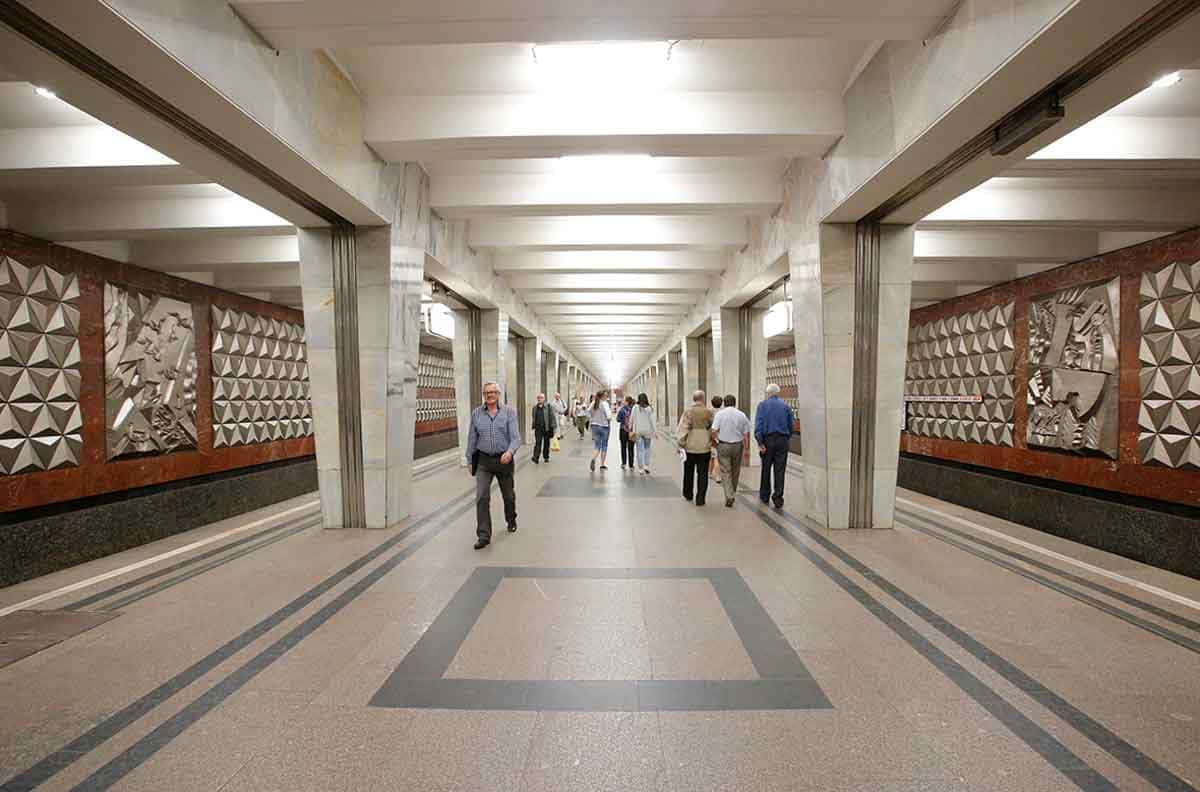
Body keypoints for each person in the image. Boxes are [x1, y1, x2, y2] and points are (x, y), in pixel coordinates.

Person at [466, 381, 520, 549]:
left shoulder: (509, 413)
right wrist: (469, 459)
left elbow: (516, 438)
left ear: (498, 394)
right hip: (484, 461)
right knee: (482, 496)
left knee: (508, 496)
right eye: (487, 392)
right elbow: (471, 439)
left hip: (504, 460)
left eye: (493, 392)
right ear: (484, 395)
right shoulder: (476, 414)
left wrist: (509, 452)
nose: (490, 395)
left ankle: (511, 519)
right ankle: (483, 535)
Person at [754, 383, 795, 509]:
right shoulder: (786, 406)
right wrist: (786, 437)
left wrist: (760, 442)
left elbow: (759, 424)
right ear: (778, 393)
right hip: (782, 440)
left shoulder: (762, 405)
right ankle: (778, 497)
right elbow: (791, 425)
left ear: (768, 393)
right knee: (780, 470)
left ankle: (765, 495)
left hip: (768, 439)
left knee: (766, 468)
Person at [711, 394, 752, 508]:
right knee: (735, 470)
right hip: (738, 446)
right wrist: (747, 449)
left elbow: (713, 430)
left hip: (723, 445)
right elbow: (746, 434)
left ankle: (729, 495)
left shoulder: (720, 414)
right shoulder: (741, 415)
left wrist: (716, 440)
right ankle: (732, 492)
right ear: (735, 402)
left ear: (724, 403)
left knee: (725, 471)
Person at [678, 390, 713, 506]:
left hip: (690, 447)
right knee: (703, 473)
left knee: (688, 471)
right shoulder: (708, 412)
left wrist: (681, 443)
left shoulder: (688, 412)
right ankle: (700, 498)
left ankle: (688, 494)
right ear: (703, 399)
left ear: (694, 399)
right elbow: (712, 428)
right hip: (704, 447)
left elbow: (683, 428)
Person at [631, 392, 656, 474]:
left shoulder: (635, 407)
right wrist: (655, 431)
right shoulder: (649, 408)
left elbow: (631, 419)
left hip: (638, 431)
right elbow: (652, 421)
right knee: (647, 448)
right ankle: (646, 466)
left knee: (639, 450)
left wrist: (630, 428)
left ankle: (641, 468)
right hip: (648, 431)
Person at [588, 390, 612, 471]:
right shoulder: (605, 404)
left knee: (597, 446)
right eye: (605, 395)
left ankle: (593, 458)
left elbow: (589, 411)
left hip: (595, 426)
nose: (606, 397)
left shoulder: (594, 403)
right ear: (603, 396)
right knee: (604, 445)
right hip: (604, 426)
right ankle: (602, 464)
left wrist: (594, 416)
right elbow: (609, 416)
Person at [531, 392, 556, 464]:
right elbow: (534, 417)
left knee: (546, 443)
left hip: (546, 428)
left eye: (541, 398)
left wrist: (553, 427)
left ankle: (546, 457)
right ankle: (536, 457)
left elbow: (552, 417)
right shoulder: (535, 408)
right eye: (538, 398)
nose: (539, 399)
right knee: (538, 443)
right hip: (538, 429)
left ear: (544, 399)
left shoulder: (548, 406)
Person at [616, 396, 636, 470]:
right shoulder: (634, 410)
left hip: (623, 430)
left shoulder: (622, 410)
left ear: (627, 402)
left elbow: (617, 419)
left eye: (624, 401)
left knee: (623, 447)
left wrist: (623, 420)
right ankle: (631, 465)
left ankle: (624, 463)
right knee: (631, 448)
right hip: (632, 431)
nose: (623, 402)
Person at [708, 395, 724, 485]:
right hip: (721, 437)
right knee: (717, 457)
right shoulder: (723, 412)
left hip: (712, 437)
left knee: (712, 457)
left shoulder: (709, 412)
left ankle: (709, 473)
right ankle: (718, 476)